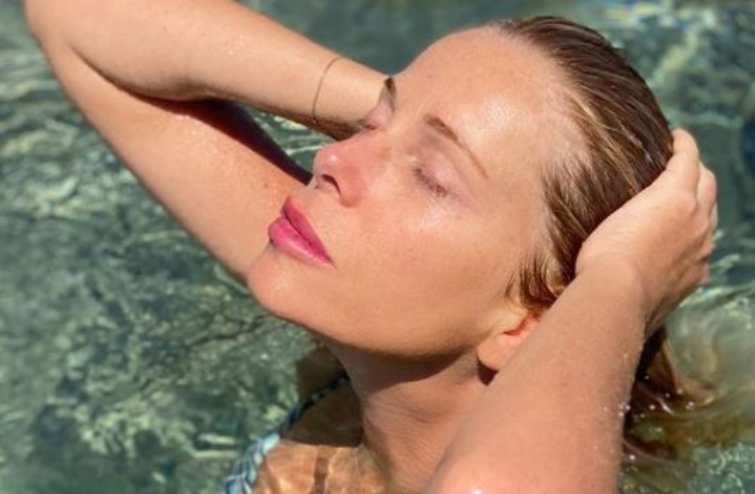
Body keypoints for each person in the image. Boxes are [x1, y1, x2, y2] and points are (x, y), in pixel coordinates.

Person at [24, 1, 717, 493]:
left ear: (529, 320)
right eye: (369, 126)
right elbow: (76, 15)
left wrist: (622, 278)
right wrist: (404, 114)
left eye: (430, 178)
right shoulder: (371, 347)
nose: (330, 159)